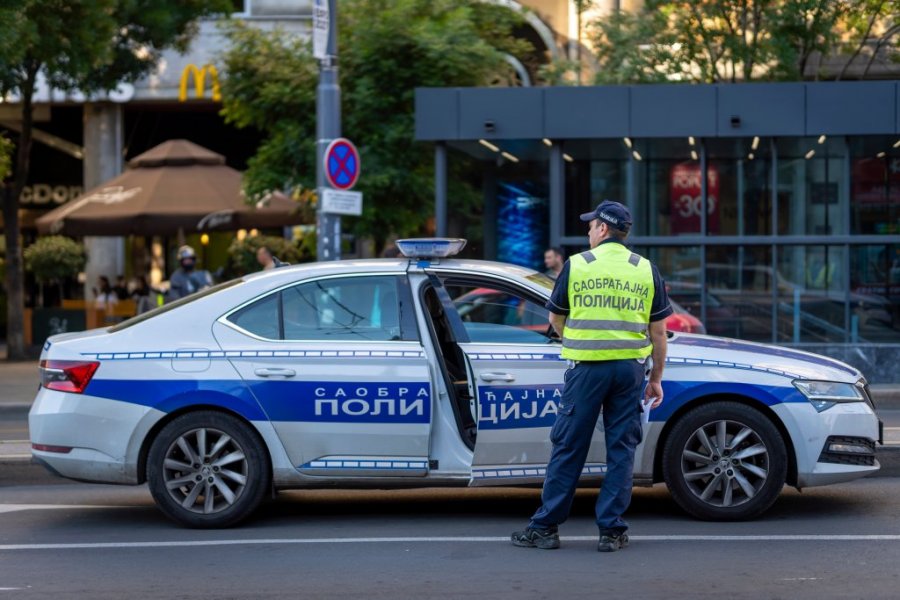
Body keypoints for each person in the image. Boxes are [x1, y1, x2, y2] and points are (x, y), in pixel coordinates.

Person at [511, 200, 672, 553]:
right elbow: (658, 332)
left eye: (590, 226)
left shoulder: (578, 264)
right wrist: (656, 378)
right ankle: (611, 532)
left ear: (603, 228)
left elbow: (555, 319)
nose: (588, 232)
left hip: (586, 370)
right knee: (621, 449)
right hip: (629, 371)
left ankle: (545, 528)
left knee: (569, 446)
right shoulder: (646, 269)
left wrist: (576, 341)